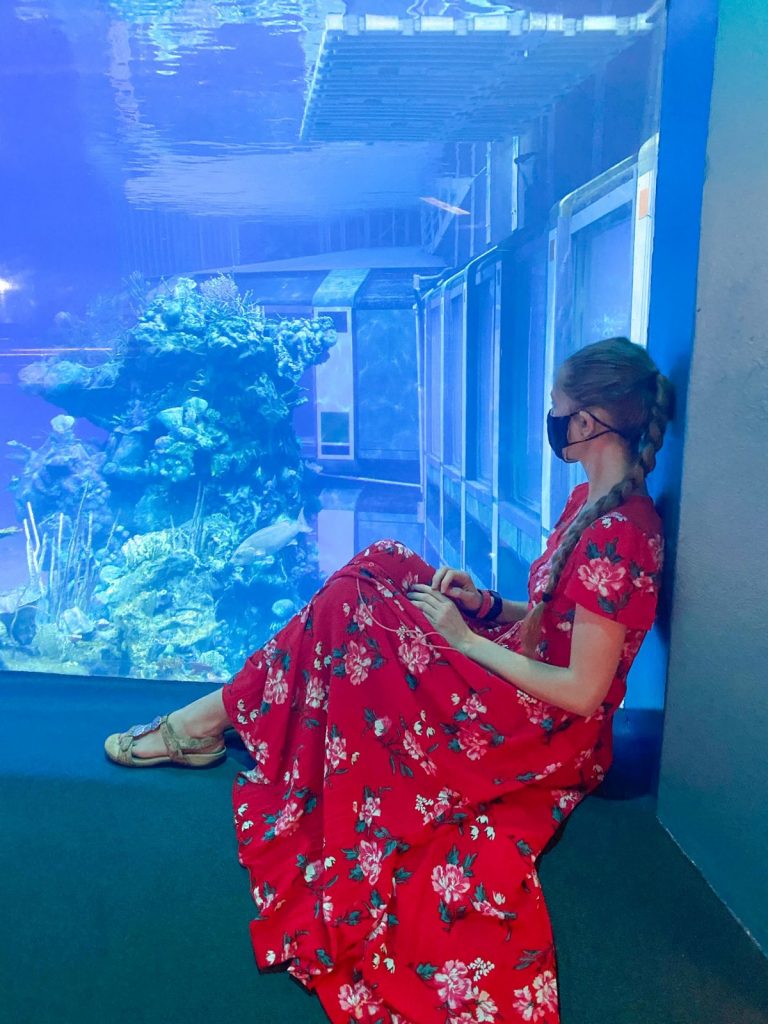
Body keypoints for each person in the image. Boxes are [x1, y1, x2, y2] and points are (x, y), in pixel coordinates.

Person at [105, 336, 673, 1024]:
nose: (549, 417)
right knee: (384, 560)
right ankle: (220, 712)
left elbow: (583, 692)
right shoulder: (590, 498)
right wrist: (485, 606)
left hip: (545, 725)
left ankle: (208, 718)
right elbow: (557, 619)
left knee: (354, 608)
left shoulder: (621, 531)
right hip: (517, 665)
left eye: (557, 406)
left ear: (586, 422)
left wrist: (463, 642)